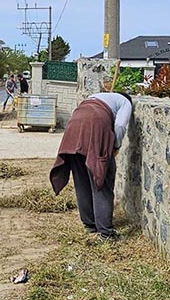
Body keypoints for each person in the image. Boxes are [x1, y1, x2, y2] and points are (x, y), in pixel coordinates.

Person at [50, 91, 133, 239]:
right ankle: (106, 233)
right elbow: (120, 125)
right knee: (101, 180)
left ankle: (89, 225)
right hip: (94, 127)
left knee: (82, 181)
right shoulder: (125, 102)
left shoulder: (99, 97)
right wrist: (115, 146)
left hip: (74, 129)